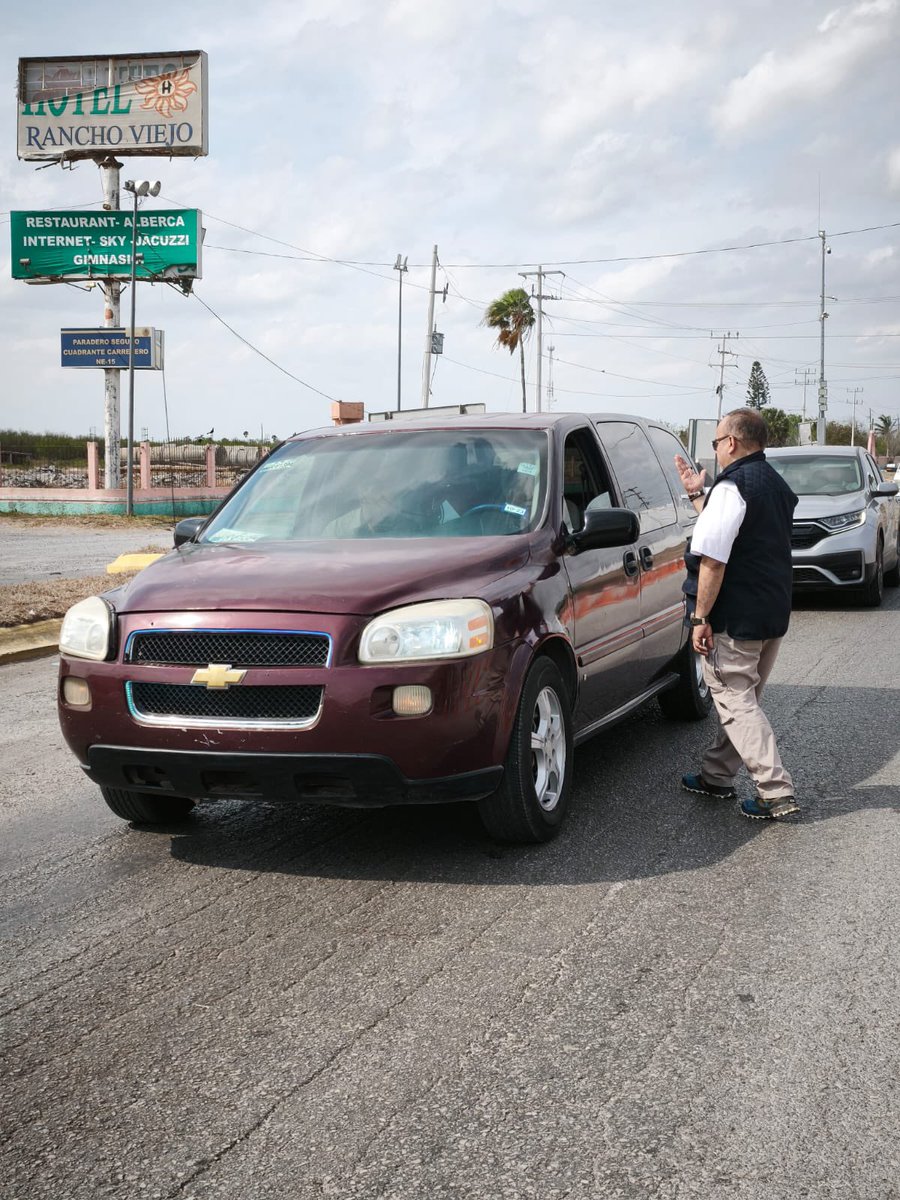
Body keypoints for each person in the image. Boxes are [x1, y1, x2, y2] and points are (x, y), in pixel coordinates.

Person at [674, 408, 800, 821]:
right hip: (771, 610)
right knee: (741, 698)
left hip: (735, 615)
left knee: (734, 698)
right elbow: (733, 532)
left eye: (715, 442)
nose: (715, 451)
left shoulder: (732, 488)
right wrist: (698, 494)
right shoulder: (774, 484)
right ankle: (716, 775)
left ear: (730, 443)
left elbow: (713, 559)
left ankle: (775, 790)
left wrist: (700, 618)